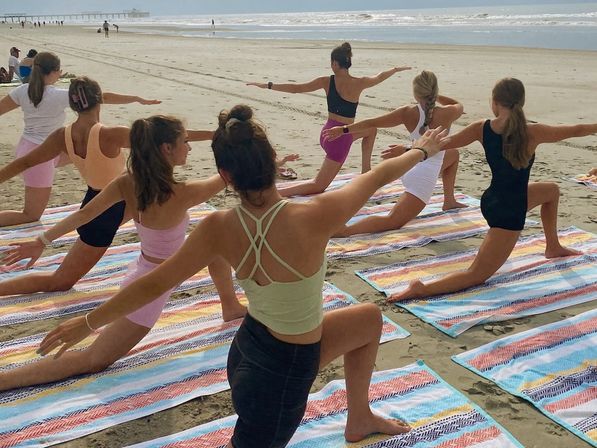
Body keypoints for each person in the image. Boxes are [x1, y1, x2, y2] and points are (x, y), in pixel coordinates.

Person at [38, 104, 446, 447]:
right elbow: (377, 176)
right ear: (272, 161)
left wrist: (88, 322)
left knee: (369, 319)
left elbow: (156, 281)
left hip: (249, 349)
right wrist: (421, 150)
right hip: (283, 373)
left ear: (227, 177)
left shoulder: (218, 226)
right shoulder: (318, 213)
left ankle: (359, 417)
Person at [0, 115, 245, 391]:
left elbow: (84, 214)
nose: (188, 147)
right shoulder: (182, 193)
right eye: (184, 142)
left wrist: (42, 240)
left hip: (149, 268)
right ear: (166, 148)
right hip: (150, 286)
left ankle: (230, 305)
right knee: (92, 359)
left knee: (214, 238)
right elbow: (228, 175)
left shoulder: (128, 182)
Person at [389, 78, 596, 302]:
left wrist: (409, 148)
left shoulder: (482, 127)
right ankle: (422, 288)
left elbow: (445, 142)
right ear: (521, 102)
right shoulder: (533, 132)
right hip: (509, 212)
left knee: (550, 191)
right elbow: (577, 130)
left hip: (492, 201)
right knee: (476, 275)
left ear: (495, 102)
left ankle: (553, 246)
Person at [0, 76, 166, 296]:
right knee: (59, 282)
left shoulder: (63, 135)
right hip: (105, 213)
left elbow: (25, 162)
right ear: (101, 100)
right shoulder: (110, 134)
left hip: (100, 200)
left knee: (157, 202)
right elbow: (166, 138)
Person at [0, 52, 160, 227]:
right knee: (30, 215)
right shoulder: (56, 94)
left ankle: (107, 186)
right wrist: (136, 99)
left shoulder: (22, 91)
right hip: (40, 156)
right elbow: (102, 97)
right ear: (54, 72)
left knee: (91, 151)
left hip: (31, 147)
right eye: (59, 72)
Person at [247, 42, 411, 197]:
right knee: (318, 186)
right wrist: (395, 69)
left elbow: (297, 88)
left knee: (371, 130)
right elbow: (380, 76)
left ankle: (366, 172)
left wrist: (268, 85)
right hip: (340, 139)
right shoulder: (359, 83)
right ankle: (273, 194)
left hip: (328, 133)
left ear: (335, 63)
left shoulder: (326, 81)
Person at [322, 70, 466, 237]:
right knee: (392, 222)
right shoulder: (449, 112)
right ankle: (343, 231)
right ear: (434, 90)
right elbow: (458, 104)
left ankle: (449, 201)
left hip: (408, 163)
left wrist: (344, 129)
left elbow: (372, 122)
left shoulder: (407, 112)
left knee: (453, 154)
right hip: (422, 176)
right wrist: (435, 95)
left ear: (415, 92)